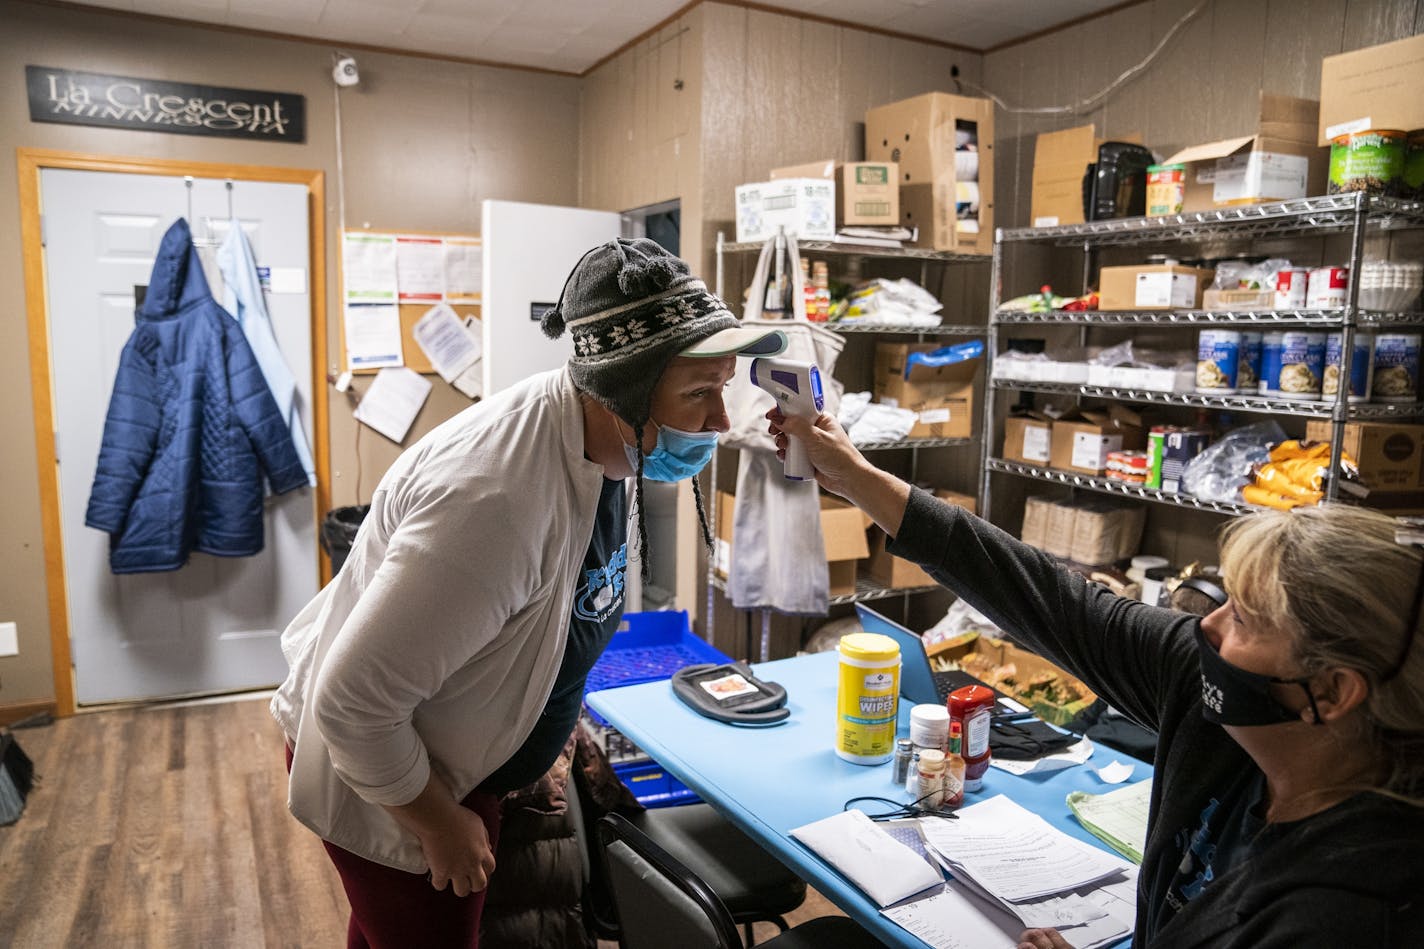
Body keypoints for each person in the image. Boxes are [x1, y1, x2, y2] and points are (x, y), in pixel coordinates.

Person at [270, 237, 785, 948]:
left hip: (457, 751)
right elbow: (352, 706)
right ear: (622, 388)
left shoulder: (602, 447)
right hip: (395, 771)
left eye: (722, 388)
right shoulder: (494, 504)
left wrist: (548, 724)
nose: (721, 422)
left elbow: (555, 612)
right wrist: (439, 823)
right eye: (700, 393)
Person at [768, 408, 1424, 949]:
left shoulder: (1350, 913)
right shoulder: (1224, 713)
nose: (1208, 629)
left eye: (1246, 618)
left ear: (1333, 692)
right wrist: (856, 478)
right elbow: (1059, 604)